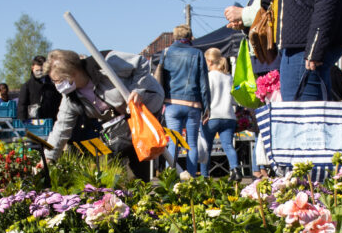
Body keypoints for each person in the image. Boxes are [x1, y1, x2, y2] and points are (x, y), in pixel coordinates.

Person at [43, 49, 163, 180]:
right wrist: (49, 157)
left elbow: (141, 63)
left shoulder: (106, 63)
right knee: (114, 155)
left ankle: (137, 185)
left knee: (134, 153)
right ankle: (125, 188)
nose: (57, 85)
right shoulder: (71, 98)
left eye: (58, 80)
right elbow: (61, 128)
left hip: (146, 104)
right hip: (120, 121)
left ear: (73, 73)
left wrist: (138, 90)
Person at [156, 24, 210, 175]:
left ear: (174, 37)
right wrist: (207, 108)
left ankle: (172, 179)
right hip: (193, 104)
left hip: (172, 104)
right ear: (190, 36)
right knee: (191, 143)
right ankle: (191, 179)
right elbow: (204, 84)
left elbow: (161, 79)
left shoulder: (166, 53)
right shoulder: (197, 53)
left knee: (174, 142)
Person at [199, 48, 241, 180]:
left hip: (212, 116)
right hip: (228, 116)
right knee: (228, 145)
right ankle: (235, 169)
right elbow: (235, 98)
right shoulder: (229, 78)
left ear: (210, 61)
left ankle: (205, 176)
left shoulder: (208, 76)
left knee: (206, 147)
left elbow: (204, 96)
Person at [17, 55, 61, 123]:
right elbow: (22, 106)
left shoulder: (53, 85)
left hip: (51, 122)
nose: (39, 72)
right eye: (37, 70)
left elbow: (59, 103)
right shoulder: (27, 86)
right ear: (32, 68)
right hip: (33, 123)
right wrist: (22, 123)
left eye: (42, 70)